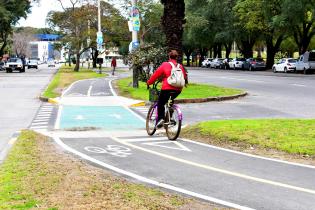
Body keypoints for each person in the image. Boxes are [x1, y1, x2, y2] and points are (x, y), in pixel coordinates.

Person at [147, 50, 188, 128]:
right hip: (178, 89)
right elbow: (184, 77)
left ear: (169, 57)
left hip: (167, 88)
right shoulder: (180, 66)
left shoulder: (165, 64)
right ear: (176, 57)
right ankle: (171, 118)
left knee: (161, 103)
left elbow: (155, 75)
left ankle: (161, 119)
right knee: (170, 100)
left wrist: (149, 82)